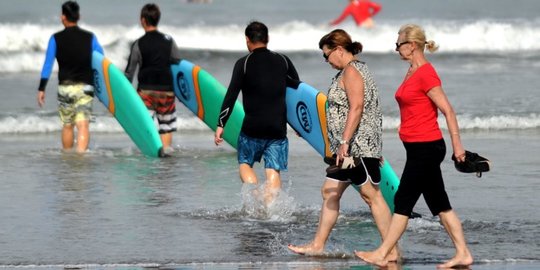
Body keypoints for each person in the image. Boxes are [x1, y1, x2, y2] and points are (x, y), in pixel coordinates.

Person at [355, 24, 474, 268]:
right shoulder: (412, 71)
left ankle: (384, 252)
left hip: (427, 147)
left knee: (403, 201)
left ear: (412, 45)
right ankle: (463, 253)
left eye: (398, 44)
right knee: (440, 204)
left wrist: (458, 147)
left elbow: (448, 111)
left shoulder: (426, 73)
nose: (396, 49)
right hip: (417, 147)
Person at [287, 29, 399, 260]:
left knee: (371, 196)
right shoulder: (352, 70)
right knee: (329, 191)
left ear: (339, 49)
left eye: (326, 55)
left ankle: (391, 252)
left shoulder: (352, 71)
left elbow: (357, 108)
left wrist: (346, 142)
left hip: (356, 148)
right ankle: (318, 244)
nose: (326, 61)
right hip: (349, 150)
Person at [214, 21, 299, 205]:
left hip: (251, 130)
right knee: (273, 171)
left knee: (245, 163)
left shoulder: (243, 63)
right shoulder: (283, 60)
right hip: (277, 130)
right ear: (267, 39)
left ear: (247, 40)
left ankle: (255, 192)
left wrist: (221, 124)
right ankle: (270, 208)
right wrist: (299, 125)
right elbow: (296, 94)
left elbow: (230, 96)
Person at [38, 1, 104, 153]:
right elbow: (101, 61)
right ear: (78, 16)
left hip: (65, 88)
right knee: (83, 125)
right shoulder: (90, 38)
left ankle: (68, 159)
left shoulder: (55, 38)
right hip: (85, 88)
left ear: (63, 17)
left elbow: (48, 64)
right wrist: (102, 86)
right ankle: (81, 157)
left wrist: (42, 88)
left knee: (67, 125)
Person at [125, 3, 181, 153]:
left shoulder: (138, 44)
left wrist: (124, 95)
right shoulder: (169, 41)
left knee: (146, 125)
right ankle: (166, 153)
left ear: (143, 20)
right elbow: (177, 63)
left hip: (146, 92)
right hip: (167, 91)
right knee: (166, 125)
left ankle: (150, 154)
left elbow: (130, 72)